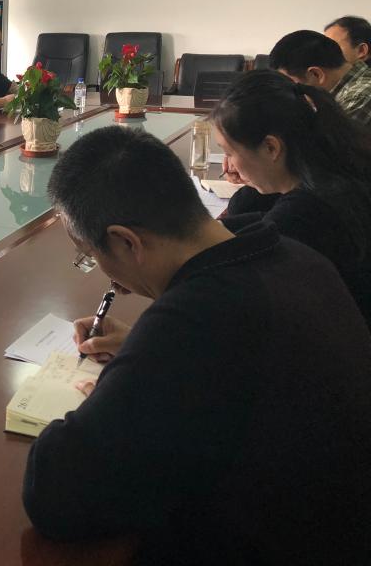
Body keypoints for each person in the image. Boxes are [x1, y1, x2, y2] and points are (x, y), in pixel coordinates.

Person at [24, 126, 371, 565]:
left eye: (92, 256)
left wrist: (127, 380)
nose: (103, 272)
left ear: (127, 241)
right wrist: (142, 352)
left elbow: (55, 492)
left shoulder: (199, 318)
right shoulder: (295, 256)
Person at [210, 69, 371, 326]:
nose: (228, 165)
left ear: (271, 147)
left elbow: (233, 295)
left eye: (229, 152)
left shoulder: (303, 214)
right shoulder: (336, 168)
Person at [269, 28, 371, 125]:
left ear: (316, 74)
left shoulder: (361, 96)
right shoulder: (348, 87)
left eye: (293, 85)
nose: (292, 93)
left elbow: (327, 137)